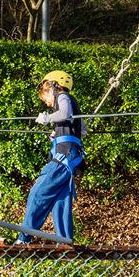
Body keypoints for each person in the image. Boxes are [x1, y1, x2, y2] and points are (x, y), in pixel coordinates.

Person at [16, 70, 86, 245]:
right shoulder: (69, 102)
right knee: (60, 201)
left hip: (63, 157)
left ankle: (24, 238)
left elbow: (64, 114)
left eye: (46, 97)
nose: (47, 103)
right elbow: (81, 127)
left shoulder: (63, 96)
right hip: (70, 157)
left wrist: (47, 118)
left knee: (38, 193)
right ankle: (64, 241)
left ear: (53, 86)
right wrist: (59, 133)